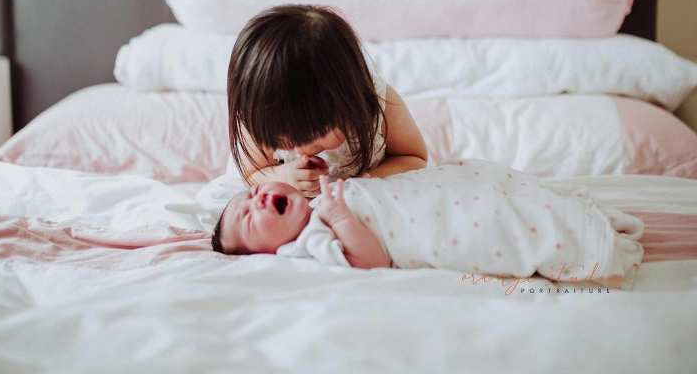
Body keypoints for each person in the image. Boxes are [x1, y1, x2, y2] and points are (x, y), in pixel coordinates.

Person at [210, 159, 646, 289]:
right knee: (491, 219)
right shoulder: (309, 242)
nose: (259, 198)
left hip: (431, 194)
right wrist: (340, 217)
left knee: (485, 189)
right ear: (266, 253)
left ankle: (563, 213)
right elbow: (369, 261)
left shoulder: (314, 197)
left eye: (252, 194)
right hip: (430, 227)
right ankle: (581, 239)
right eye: (250, 216)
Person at [225, 4, 428, 198]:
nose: (300, 151)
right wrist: (283, 177)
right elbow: (251, 174)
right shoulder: (261, 114)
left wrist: (367, 182)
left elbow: (415, 158)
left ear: (350, 103)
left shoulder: (379, 102)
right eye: (282, 142)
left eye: (314, 135)